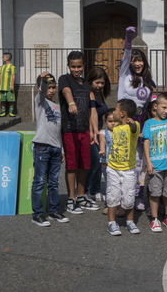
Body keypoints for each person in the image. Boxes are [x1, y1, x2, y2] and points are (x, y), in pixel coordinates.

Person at [118, 26, 156, 211]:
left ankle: (138, 195)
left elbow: (153, 103)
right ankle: (122, 196)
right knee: (126, 161)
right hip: (125, 123)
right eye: (134, 60)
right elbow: (125, 55)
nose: (137, 63)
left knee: (140, 164)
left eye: (140, 60)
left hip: (142, 124)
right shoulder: (125, 75)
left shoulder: (149, 81)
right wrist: (128, 39)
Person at [58, 51, 98, 213]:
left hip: (84, 130)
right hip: (69, 130)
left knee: (84, 164)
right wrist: (71, 103)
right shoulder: (64, 79)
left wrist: (94, 131)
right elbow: (66, 91)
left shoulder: (86, 85)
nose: (76, 69)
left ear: (83, 66)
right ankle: (71, 198)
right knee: (72, 165)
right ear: (68, 66)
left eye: (79, 66)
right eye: (73, 66)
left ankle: (81, 196)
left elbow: (92, 109)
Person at [31, 71, 69, 226]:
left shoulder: (57, 107)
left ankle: (53, 210)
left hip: (55, 148)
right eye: (48, 87)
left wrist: (62, 150)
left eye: (54, 87)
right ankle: (38, 214)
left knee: (54, 182)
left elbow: (58, 130)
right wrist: (43, 79)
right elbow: (41, 92)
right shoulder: (40, 103)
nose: (51, 90)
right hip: (42, 147)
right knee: (39, 181)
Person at [142, 91, 167, 232]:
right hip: (155, 165)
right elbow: (146, 143)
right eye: (163, 107)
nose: (166, 111)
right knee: (155, 192)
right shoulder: (148, 123)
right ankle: (154, 219)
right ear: (156, 106)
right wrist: (148, 162)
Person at [106, 99, 141, 236]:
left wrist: (131, 123)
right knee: (112, 195)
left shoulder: (134, 125)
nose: (113, 112)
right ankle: (111, 223)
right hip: (113, 168)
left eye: (115, 110)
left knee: (129, 197)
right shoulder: (115, 127)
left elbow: (133, 129)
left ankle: (130, 221)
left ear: (122, 114)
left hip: (128, 169)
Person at [86, 67, 110, 203]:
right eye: (97, 82)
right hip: (92, 131)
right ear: (90, 81)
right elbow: (91, 114)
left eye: (102, 83)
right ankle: (89, 190)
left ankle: (94, 189)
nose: (100, 85)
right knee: (94, 162)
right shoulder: (90, 94)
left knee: (99, 162)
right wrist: (92, 132)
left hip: (100, 131)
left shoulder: (100, 93)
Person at [100, 108, 116, 215]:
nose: (113, 123)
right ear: (106, 121)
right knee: (109, 184)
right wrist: (102, 149)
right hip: (107, 163)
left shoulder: (121, 131)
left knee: (119, 184)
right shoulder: (103, 132)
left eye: (115, 121)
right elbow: (102, 142)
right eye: (110, 121)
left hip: (119, 163)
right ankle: (109, 204)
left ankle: (118, 205)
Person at [0, 52, 16, 117]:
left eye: (3, 57)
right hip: (2, 87)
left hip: (8, 87)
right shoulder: (2, 67)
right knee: (2, 100)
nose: (2, 58)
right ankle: (3, 112)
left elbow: (13, 76)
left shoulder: (12, 67)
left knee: (11, 99)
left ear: (7, 58)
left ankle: (11, 112)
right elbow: (0, 75)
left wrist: (12, 85)